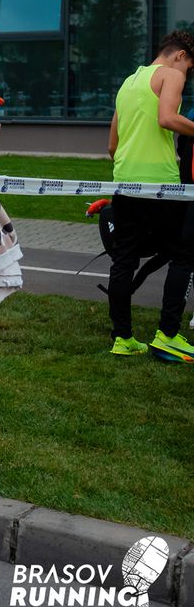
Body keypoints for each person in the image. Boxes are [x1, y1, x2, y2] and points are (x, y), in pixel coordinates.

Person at [105, 30, 194, 362]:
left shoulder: (128, 83)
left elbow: (112, 147)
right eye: (189, 68)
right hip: (161, 186)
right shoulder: (171, 73)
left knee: (124, 261)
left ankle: (122, 338)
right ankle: (168, 335)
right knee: (183, 256)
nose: (186, 76)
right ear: (180, 56)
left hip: (124, 181)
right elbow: (168, 118)